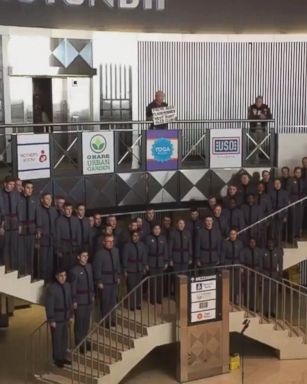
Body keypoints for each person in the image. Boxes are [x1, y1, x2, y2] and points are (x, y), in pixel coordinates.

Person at [45, 268, 73, 368]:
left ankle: (64, 356)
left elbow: (69, 301)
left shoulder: (68, 286)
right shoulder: (52, 288)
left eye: (65, 276)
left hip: (66, 317)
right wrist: (51, 319)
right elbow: (49, 305)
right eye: (61, 276)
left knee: (65, 338)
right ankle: (57, 358)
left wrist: (70, 316)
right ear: (56, 276)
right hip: (57, 318)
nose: (63, 278)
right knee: (57, 339)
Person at [69, 250, 94, 353]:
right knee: (79, 323)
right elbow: (73, 287)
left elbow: (91, 282)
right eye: (83, 256)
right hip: (79, 300)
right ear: (78, 257)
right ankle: (79, 343)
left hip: (88, 298)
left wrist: (92, 294)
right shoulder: (74, 270)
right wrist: (74, 300)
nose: (85, 258)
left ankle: (85, 340)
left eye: (87, 256)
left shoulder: (89, 267)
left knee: (86, 322)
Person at [93, 235, 121, 322]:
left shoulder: (116, 251)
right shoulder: (99, 253)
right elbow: (97, 268)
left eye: (112, 241)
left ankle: (112, 319)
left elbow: (118, 264)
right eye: (109, 241)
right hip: (105, 281)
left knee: (113, 301)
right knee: (105, 302)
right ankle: (106, 321)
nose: (111, 243)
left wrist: (118, 276)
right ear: (104, 242)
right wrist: (99, 281)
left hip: (114, 280)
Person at [18, 180, 41, 276]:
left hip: (32, 231)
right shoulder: (18, 199)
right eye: (28, 187)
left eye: (31, 188)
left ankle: (30, 276)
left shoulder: (35, 200)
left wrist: (38, 229)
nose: (30, 190)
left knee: (30, 255)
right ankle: (21, 275)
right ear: (23, 188)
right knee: (21, 255)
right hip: (20, 231)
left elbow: (38, 215)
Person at [122, 231, 148, 310]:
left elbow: (144, 256)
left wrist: (144, 266)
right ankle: (131, 305)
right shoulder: (127, 246)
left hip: (139, 268)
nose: (136, 237)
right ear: (131, 236)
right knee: (131, 287)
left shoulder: (142, 245)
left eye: (137, 236)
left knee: (139, 287)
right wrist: (125, 269)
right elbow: (124, 258)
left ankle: (138, 303)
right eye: (134, 236)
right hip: (131, 269)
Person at [144, 224, 168, 304]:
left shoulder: (163, 238)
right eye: (155, 228)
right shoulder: (148, 238)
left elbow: (165, 251)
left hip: (161, 262)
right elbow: (145, 252)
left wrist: (166, 261)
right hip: (152, 263)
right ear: (152, 230)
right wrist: (146, 263)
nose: (157, 230)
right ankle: (153, 299)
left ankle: (159, 298)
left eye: (158, 228)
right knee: (152, 282)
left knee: (160, 282)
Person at [0, 176, 19, 271]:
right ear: (5, 184)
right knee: (4, 248)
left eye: (13, 185)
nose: (12, 186)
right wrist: (1, 225)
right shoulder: (0, 194)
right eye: (10, 184)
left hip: (14, 224)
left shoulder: (16, 195)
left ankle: (14, 269)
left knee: (14, 247)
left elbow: (19, 210)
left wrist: (19, 224)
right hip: (4, 224)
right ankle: (5, 269)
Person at [55, 202, 81, 271]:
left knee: (75, 267)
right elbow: (57, 236)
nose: (69, 211)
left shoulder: (75, 220)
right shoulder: (59, 220)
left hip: (74, 248)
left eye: (70, 209)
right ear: (63, 210)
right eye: (67, 209)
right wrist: (58, 249)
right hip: (64, 248)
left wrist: (79, 247)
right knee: (65, 267)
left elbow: (79, 234)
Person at [240, 237, 263, 311]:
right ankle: (246, 306)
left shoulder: (259, 251)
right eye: (251, 242)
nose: (252, 243)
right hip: (247, 271)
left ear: (255, 243)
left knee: (255, 291)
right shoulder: (244, 251)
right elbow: (242, 261)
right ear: (249, 243)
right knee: (247, 290)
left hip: (256, 272)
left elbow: (260, 263)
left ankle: (255, 307)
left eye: (253, 242)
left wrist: (259, 272)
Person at [221, 228, 243, 305]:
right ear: (229, 235)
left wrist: (241, 265)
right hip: (228, 264)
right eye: (231, 234)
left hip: (237, 265)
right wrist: (223, 265)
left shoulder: (240, 243)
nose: (233, 235)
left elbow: (241, 255)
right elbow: (223, 254)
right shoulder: (225, 243)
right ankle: (228, 299)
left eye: (234, 234)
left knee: (236, 283)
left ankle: (235, 300)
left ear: (236, 234)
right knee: (229, 283)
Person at [39, 193, 58, 283]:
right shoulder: (38, 210)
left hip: (52, 241)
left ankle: (49, 282)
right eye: (47, 199)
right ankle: (42, 282)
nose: (49, 200)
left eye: (50, 199)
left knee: (50, 264)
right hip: (42, 241)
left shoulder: (54, 210)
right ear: (42, 200)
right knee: (42, 264)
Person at [261, 240, 283, 317]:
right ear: (267, 243)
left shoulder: (278, 252)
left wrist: (280, 274)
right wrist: (261, 274)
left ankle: (272, 310)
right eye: (269, 242)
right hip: (266, 273)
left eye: (271, 242)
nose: (270, 244)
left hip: (274, 274)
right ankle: (266, 310)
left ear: (274, 243)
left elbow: (280, 264)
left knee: (273, 294)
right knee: (266, 294)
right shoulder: (263, 252)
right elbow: (261, 264)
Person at [248, 96, 272, 163]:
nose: (258, 103)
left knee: (262, 144)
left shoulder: (266, 107)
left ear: (262, 101)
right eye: (257, 101)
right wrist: (259, 115)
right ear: (255, 101)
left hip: (262, 128)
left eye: (260, 101)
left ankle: (259, 157)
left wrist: (265, 117)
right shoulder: (251, 107)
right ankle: (256, 160)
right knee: (254, 144)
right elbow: (249, 117)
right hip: (254, 128)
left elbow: (270, 117)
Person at [269, 179, 289, 246]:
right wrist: (270, 213)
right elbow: (269, 204)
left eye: (278, 183)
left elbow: (286, 205)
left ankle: (279, 245)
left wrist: (285, 216)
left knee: (279, 230)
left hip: (281, 214)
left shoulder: (285, 193)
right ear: (273, 185)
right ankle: (272, 244)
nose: (277, 185)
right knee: (272, 231)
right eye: (275, 183)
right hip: (273, 213)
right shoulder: (270, 193)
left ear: (281, 184)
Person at [289, 167, 305, 239]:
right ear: (294, 173)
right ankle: (293, 233)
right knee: (293, 217)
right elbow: (288, 191)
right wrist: (289, 200)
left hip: (301, 201)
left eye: (300, 172)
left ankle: (299, 233)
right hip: (293, 200)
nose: (298, 173)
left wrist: (303, 200)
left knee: (300, 217)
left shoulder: (303, 180)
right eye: (297, 172)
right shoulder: (291, 180)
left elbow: (304, 191)